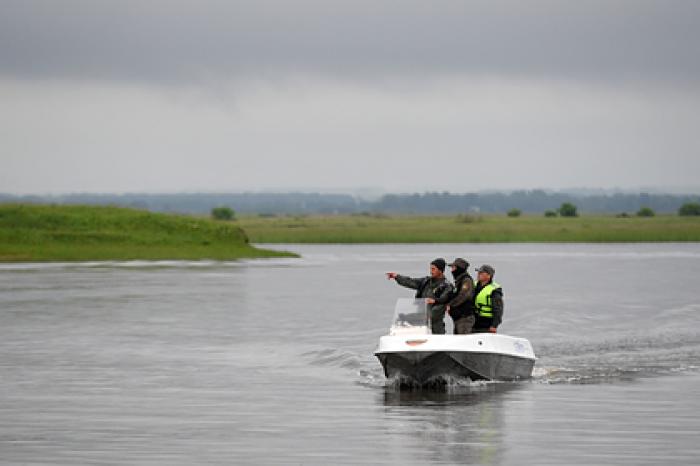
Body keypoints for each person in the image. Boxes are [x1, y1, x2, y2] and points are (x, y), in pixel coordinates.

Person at [386, 258, 452, 334]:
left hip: (435, 322)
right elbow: (410, 281)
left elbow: (444, 300)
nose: (431, 271)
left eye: (433, 269)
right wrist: (397, 277)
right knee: (402, 318)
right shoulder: (425, 281)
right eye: (430, 269)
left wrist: (434, 302)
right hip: (421, 319)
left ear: (440, 270)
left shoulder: (447, 286)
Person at [445, 258, 475, 334]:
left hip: (464, 318)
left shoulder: (466, 280)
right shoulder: (459, 280)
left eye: (453, 268)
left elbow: (464, 296)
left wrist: (450, 304)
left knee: (464, 341)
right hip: (458, 318)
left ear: (459, 269)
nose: (451, 270)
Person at [472, 264, 503, 333]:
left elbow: (498, 310)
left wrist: (494, 325)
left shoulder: (494, 290)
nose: (478, 274)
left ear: (489, 276)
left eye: (481, 273)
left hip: (486, 324)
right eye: (478, 272)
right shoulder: (474, 284)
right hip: (473, 321)